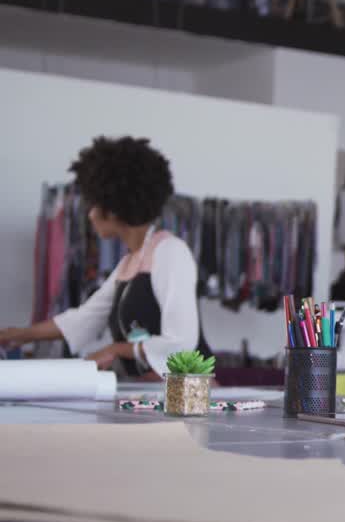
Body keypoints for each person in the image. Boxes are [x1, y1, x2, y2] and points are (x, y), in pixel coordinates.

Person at [0, 136, 204, 379]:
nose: (90, 215)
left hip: (187, 399)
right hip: (152, 395)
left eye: (93, 205)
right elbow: (85, 318)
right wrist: (16, 335)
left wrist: (115, 349)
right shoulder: (129, 264)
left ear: (114, 209)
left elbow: (181, 341)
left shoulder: (171, 252)